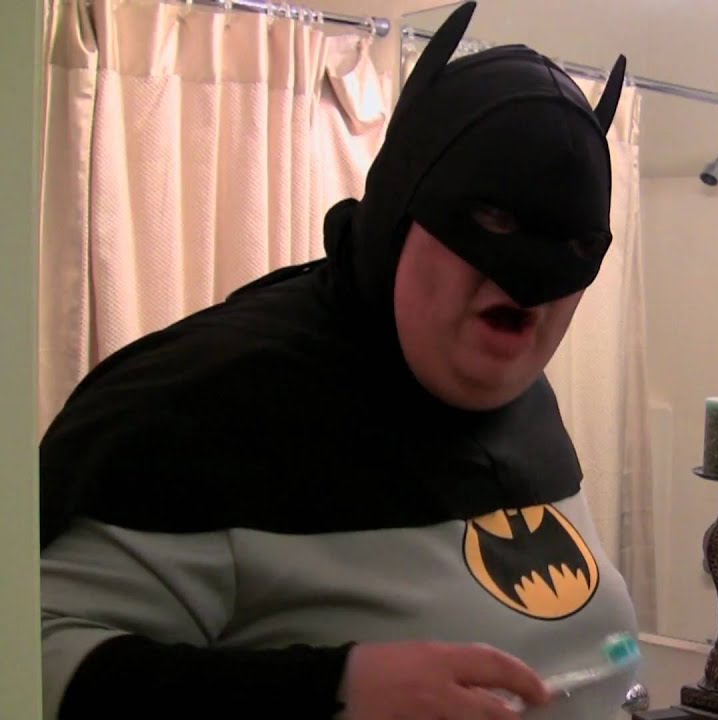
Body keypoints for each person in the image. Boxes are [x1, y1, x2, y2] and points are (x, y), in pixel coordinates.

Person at [37, 3, 639, 718]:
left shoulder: (516, 391)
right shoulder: (208, 405)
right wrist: (330, 690)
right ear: (401, 206)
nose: (530, 286)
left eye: (574, 247)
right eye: (494, 221)